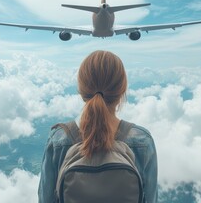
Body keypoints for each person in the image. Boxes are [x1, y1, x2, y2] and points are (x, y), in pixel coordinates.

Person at [38, 50, 158, 203]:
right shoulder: (142, 141)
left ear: (82, 91)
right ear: (122, 91)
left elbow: (45, 199)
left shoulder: (58, 140)